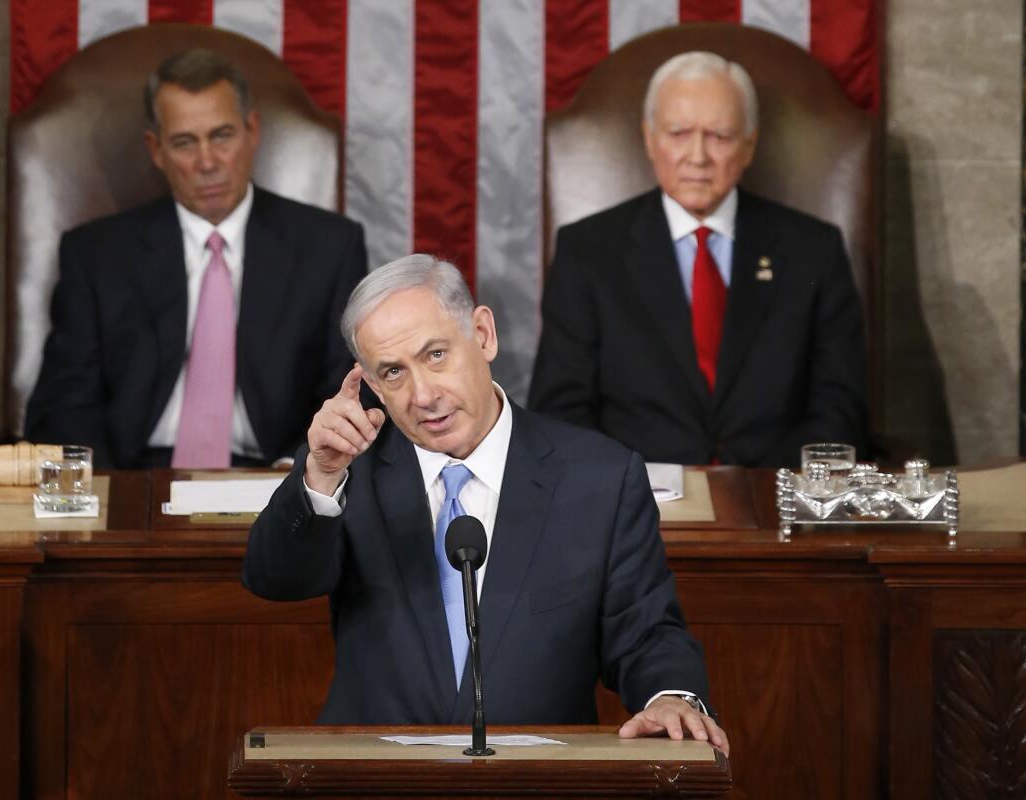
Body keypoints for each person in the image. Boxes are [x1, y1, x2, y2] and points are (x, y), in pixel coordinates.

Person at [243, 254, 729, 755]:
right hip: (378, 776)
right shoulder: (348, 468)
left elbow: (646, 632)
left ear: (483, 334)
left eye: (435, 355)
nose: (423, 394)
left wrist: (672, 697)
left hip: (536, 779)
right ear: (370, 384)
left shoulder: (599, 477)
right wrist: (320, 474)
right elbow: (276, 580)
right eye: (393, 372)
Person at [25, 48, 367, 469]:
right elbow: (65, 401)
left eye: (221, 135)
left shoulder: (329, 248)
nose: (207, 162)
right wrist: (111, 496)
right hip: (134, 478)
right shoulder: (97, 255)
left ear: (252, 130)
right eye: (185, 142)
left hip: (277, 476)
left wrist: (304, 474)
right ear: (156, 151)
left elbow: (346, 389)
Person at [530, 50, 866, 468]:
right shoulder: (589, 251)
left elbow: (840, 408)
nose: (698, 156)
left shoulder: (814, 250)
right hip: (635, 507)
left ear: (749, 145)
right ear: (650, 139)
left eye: (720, 136)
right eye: (678, 133)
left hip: (774, 505)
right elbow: (561, 412)